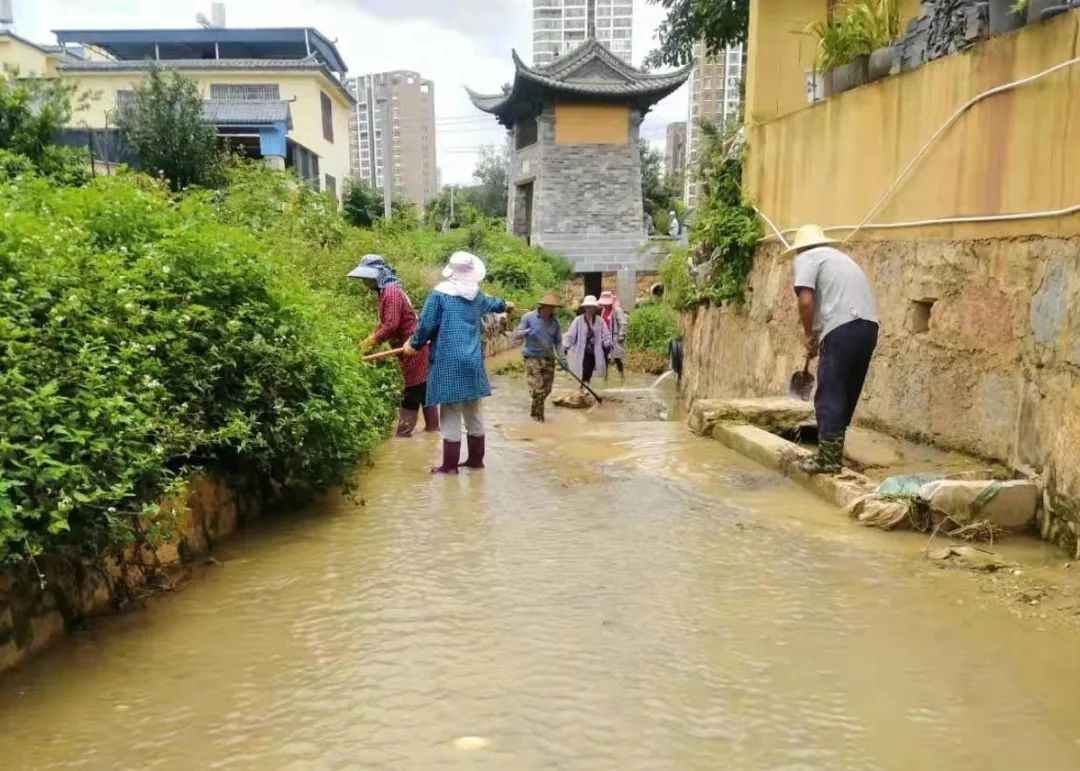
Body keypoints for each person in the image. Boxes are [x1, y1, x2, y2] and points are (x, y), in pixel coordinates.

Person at [403, 252, 514, 474]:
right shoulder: (476, 296)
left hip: (448, 361)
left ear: (451, 270)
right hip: (472, 361)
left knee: (451, 411)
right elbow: (495, 303)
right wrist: (506, 304)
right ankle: (475, 461)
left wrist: (413, 345)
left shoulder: (439, 295)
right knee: (473, 411)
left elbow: (426, 326)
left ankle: (450, 466)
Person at [788, 224, 880, 474]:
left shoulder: (806, 257)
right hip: (869, 326)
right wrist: (819, 336)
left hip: (840, 328)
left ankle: (828, 460)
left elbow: (806, 302)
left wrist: (809, 335)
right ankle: (833, 453)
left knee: (829, 393)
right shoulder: (839, 258)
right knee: (846, 391)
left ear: (799, 249)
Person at [348, 254, 437, 438]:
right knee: (424, 391)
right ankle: (432, 432)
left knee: (412, 392)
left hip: (413, 347)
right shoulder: (387, 292)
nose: (364, 281)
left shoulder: (390, 292)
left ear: (378, 275)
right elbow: (384, 324)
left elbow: (390, 326)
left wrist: (368, 344)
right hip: (411, 347)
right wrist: (370, 340)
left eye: (367, 277)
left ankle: (403, 436)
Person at [514, 290, 566, 422]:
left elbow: (558, 342)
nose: (551, 310)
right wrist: (527, 332)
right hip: (532, 357)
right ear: (543, 306)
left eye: (553, 307)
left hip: (548, 357)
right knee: (538, 388)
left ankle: (534, 412)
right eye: (549, 307)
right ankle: (540, 418)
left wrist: (563, 358)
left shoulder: (555, 323)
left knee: (547, 389)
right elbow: (516, 335)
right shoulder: (528, 318)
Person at [564, 295, 612, 388]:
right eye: (588, 307)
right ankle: (583, 388)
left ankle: (584, 388)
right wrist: (565, 346)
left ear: (595, 308)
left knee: (588, 371)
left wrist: (607, 344)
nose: (590, 309)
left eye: (592, 307)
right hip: (582, 351)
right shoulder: (578, 321)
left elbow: (606, 334)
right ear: (585, 308)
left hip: (594, 352)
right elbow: (570, 335)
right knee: (582, 371)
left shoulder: (600, 321)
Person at [598, 290, 627, 379]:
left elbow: (623, 323)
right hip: (606, 338)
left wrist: (621, 335)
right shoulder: (603, 310)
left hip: (615, 338)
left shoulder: (617, 310)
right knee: (605, 358)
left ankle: (622, 376)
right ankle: (605, 377)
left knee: (617, 359)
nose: (605, 305)